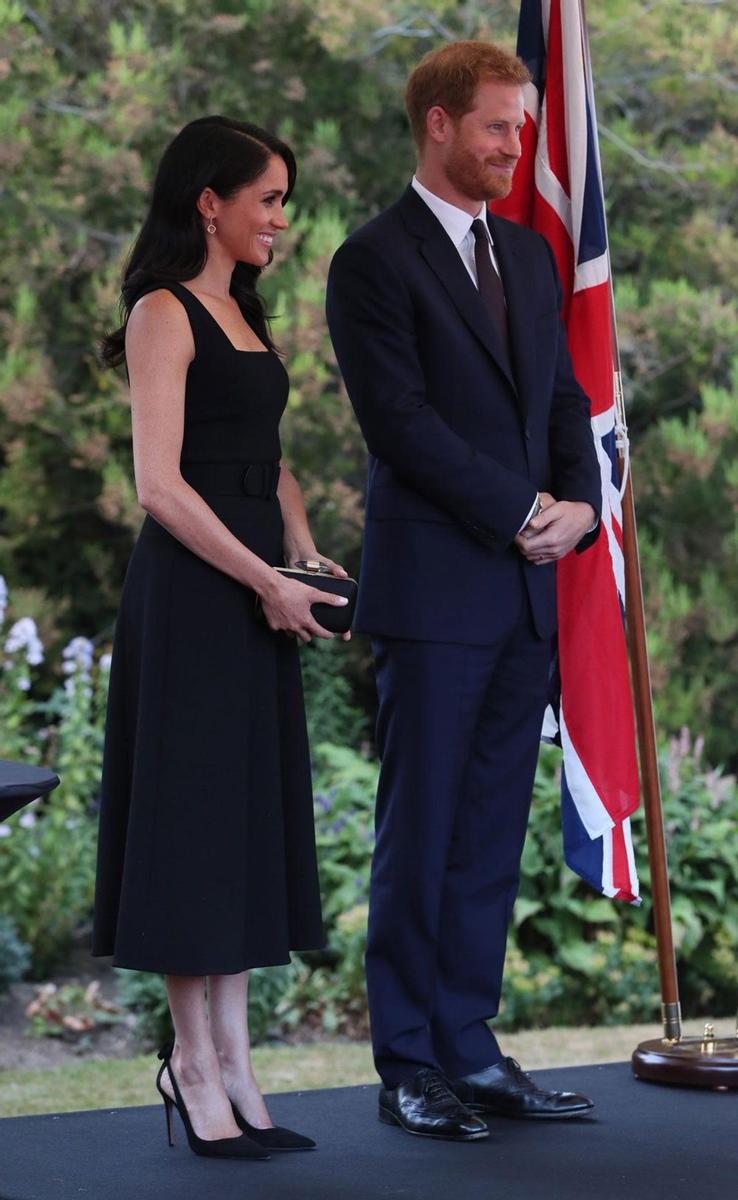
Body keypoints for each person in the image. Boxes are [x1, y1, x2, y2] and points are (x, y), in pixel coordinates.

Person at [326, 41, 601, 1141]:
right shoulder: (372, 261)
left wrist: (577, 507)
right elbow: (401, 426)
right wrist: (521, 512)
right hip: (435, 594)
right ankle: (407, 1063)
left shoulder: (531, 261)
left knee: (489, 832)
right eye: (498, 125)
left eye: (524, 125)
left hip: (526, 594)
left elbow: (565, 403)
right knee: (422, 827)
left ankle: (468, 1048)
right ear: (438, 123)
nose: (516, 145)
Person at [92, 115, 351, 1161]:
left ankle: (238, 1064)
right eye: (269, 198)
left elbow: (266, 461)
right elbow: (160, 486)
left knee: (239, 829)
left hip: (256, 590)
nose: (280, 219)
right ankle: (190, 1065)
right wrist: (261, 582)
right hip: (198, 598)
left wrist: (302, 549)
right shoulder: (163, 311)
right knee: (193, 833)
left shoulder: (242, 313)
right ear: (211, 200)